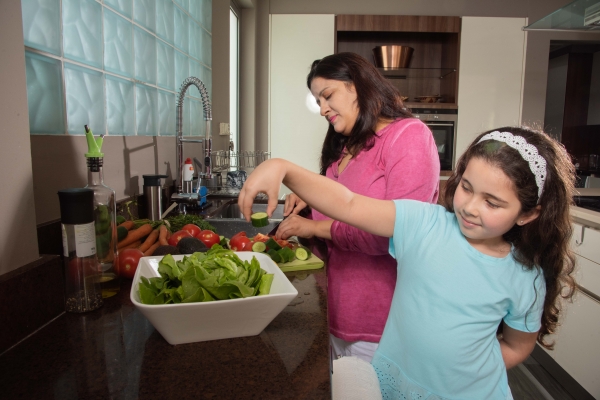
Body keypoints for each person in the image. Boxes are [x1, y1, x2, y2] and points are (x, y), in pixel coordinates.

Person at [238, 126, 577, 399]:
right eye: (467, 188)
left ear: (528, 214)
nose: (471, 207)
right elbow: (350, 203)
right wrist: (280, 167)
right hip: (395, 383)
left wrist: (463, 371)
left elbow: (518, 346)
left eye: (492, 202)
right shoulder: (423, 224)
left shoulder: (526, 276)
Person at [275, 52, 440, 362]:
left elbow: (396, 234)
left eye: (327, 95)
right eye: (318, 101)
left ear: (357, 85)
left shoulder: (408, 136)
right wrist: (308, 208)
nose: (322, 109)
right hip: (341, 316)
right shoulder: (344, 154)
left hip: (385, 324)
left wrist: (313, 226)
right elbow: (333, 246)